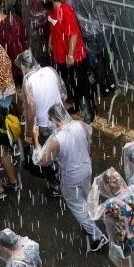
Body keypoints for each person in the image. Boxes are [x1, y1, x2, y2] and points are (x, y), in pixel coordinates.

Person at [34, 106, 105, 250]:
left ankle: (97, 236)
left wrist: (36, 139)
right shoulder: (80, 125)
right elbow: (88, 143)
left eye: (50, 119)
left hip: (71, 175)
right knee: (85, 196)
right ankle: (92, 218)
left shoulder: (56, 139)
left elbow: (42, 160)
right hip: (86, 167)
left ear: (54, 119)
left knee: (77, 206)